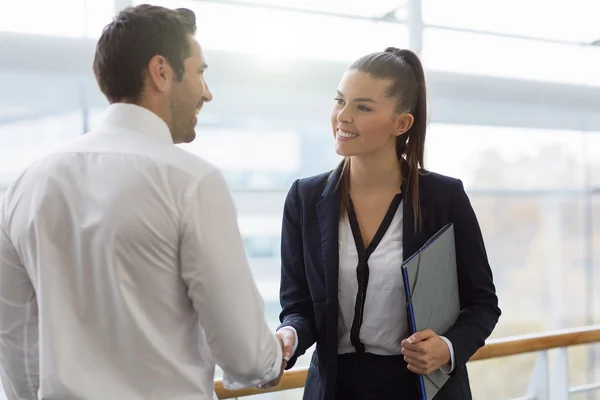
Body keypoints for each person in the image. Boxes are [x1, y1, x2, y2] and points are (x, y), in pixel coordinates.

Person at [0, 5, 284, 400]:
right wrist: (274, 357)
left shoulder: (28, 184)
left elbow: (14, 339)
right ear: (161, 72)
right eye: (200, 72)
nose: (207, 92)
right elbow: (248, 356)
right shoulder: (192, 182)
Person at [270, 48, 501, 399]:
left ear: (401, 123)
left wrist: (448, 347)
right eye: (340, 101)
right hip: (335, 388)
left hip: (418, 387)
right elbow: (299, 307)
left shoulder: (443, 198)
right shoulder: (304, 198)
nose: (342, 117)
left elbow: (483, 303)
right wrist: (289, 335)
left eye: (362, 107)